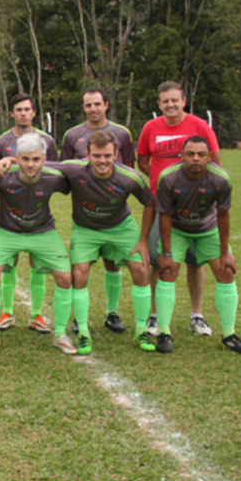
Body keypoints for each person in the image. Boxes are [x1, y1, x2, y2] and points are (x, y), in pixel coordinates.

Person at [58, 131, 157, 355]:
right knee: (79, 273)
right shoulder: (74, 168)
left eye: (107, 155)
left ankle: (141, 330)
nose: (102, 161)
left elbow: (150, 203)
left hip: (121, 227)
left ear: (116, 154)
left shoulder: (130, 177)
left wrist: (142, 240)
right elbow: (42, 164)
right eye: (97, 155)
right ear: (87, 154)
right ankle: (83, 332)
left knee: (141, 269)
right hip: (86, 229)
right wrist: (10, 160)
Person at [137, 81, 221, 337]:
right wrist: (164, 185)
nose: (170, 104)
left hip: (194, 207)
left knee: (196, 262)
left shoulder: (199, 126)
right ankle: (154, 316)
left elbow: (215, 162)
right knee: (156, 260)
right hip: (160, 207)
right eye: (165, 101)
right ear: (159, 104)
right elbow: (142, 160)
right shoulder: (150, 128)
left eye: (175, 100)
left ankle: (196, 315)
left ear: (184, 101)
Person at [154, 136, 241, 354]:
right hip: (178, 229)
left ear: (210, 157)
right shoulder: (168, 178)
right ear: (182, 156)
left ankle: (229, 335)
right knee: (168, 271)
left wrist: (225, 252)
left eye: (201, 154)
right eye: (190, 154)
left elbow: (223, 215)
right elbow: (165, 216)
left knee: (226, 272)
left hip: (207, 229)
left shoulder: (221, 179)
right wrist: (167, 253)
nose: (195, 158)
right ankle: (164, 332)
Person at [0, 134, 74, 354]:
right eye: (24, 159)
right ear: (17, 158)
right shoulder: (3, 173)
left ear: (44, 159)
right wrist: (1, 163)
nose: (30, 164)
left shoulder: (55, 176)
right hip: (8, 230)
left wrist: (12, 160)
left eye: (35, 159)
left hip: (43, 231)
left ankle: (60, 334)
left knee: (65, 277)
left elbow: (75, 169)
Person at [59, 87, 135, 335]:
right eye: (88, 105)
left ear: (106, 105)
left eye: (97, 104)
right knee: (82, 267)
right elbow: (65, 172)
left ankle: (112, 313)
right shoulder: (72, 135)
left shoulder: (122, 133)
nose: (93, 109)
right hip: (86, 214)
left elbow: (131, 172)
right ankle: (79, 317)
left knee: (113, 263)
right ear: (84, 107)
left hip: (115, 212)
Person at [0, 93, 59, 335]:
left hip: (39, 214)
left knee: (38, 264)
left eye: (27, 109)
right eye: (18, 109)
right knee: (8, 263)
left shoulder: (47, 140)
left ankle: (36, 314)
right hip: (10, 215)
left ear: (34, 112)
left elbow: (53, 174)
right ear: (12, 113)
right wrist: (9, 200)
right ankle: (6, 311)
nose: (23, 113)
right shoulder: (1, 143)